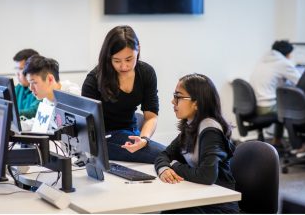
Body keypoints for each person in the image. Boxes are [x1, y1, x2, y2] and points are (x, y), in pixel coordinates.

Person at [154, 73, 239, 213]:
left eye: (178, 97)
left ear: (196, 103)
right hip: (199, 197)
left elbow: (206, 176)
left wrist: (174, 165)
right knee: (170, 208)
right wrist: (164, 168)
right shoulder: (190, 125)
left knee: (173, 210)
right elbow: (164, 154)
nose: (173, 101)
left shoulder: (210, 130)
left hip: (218, 205)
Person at [82, 25, 165, 163]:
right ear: (108, 57)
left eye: (129, 59)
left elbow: (151, 116)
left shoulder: (146, 72)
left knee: (166, 153)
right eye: (117, 61)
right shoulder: (94, 79)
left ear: (138, 49)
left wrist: (144, 139)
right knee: (164, 155)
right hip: (105, 137)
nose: (124, 66)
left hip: (131, 130)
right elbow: (87, 127)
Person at [250, 40, 301, 146]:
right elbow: (301, 81)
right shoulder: (282, 62)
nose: (290, 57)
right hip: (267, 107)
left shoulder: (263, 60)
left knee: (283, 104)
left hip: (256, 105)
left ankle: (277, 140)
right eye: (290, 54)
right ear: (286, 54)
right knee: (295, 109)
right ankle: (300, 145)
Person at [22, 54, 81, 130]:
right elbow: (39, 123)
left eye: (34, 83)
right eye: (30, 83)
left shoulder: (72, 95)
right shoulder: (47, 97)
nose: (31, 88)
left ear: (50, 79)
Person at [13, 49, 41, 119]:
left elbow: (33, 112)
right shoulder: (18, 88)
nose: (17, 74)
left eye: (20, 69)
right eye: (16, 69)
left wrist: (9, 113)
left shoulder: (41, 89)